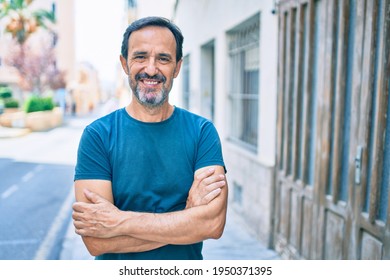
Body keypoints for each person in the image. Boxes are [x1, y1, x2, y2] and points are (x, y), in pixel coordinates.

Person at [71, 16, 228, 260]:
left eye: (163, 58)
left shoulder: (201, 132)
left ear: (177, 67)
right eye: (140, 57)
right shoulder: (98, 136)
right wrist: (188, 215)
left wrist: (119, 221)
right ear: (124, 63)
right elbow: (96, 241)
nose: (151, 69)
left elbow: (212, 225)